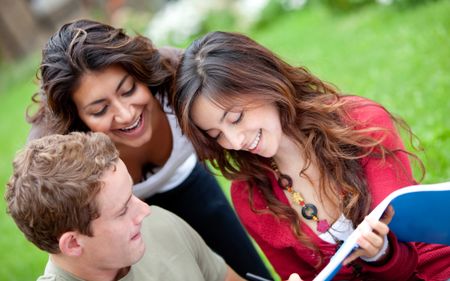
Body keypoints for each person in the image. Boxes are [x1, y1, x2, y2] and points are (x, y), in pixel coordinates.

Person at [173, 31, 450, 281]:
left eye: (235, 118)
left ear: (263, 83)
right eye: (216, 134)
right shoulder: (250, 197)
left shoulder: (361, 123)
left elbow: (410, 248)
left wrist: (381, 254)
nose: (234, 142)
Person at [27, 19, 270, 279]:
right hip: (121, 216)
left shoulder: (177, 73)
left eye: (129, 90)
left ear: (141, 74)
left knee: (247, 271)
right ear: (77, 118)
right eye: (99, 110)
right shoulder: (56, 145)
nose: (126, 114)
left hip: (190, 183)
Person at [5, 132, 244, 281]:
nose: (145, 211)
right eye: (122, 210)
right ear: (74, 243)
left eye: (132, 194)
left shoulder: (159, 226)